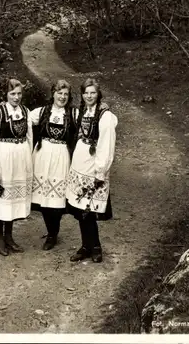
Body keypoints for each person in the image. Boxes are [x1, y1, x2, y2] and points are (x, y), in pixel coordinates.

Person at [66, 78, 118, 263]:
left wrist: (100, 171)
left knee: (90, 207)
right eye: (86, 93)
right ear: (82, 95)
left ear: (98, 94)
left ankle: (95, 246)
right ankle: (85, 245)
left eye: (92, 93)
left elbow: (106, 145)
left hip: (94, 165)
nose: (89, 96)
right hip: (80, 162)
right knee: (81, 208)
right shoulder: (83, 111)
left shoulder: (105, 116)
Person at [0, 78, 33, 256]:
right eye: (13, 94)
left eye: (19, 93)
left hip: (20, 160)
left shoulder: (26, 112)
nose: (16, 97)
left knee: (13, 200)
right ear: (6, 94)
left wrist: (29, 162)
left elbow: (29, 138)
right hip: (4, 160)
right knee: (2, 198)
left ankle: (10, 236)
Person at [30, 80, 77, 250]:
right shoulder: (42, 112)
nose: (62, 97)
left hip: (60, 156)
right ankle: (50, 231)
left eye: (65, 94)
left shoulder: (73, 114)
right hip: (42, 156)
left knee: (56, 199)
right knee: (43, 198)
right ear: (53, 93)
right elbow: (20, 118)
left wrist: (103, 109)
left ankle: (53, 233)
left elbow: (90, 119)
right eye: (59, 93)